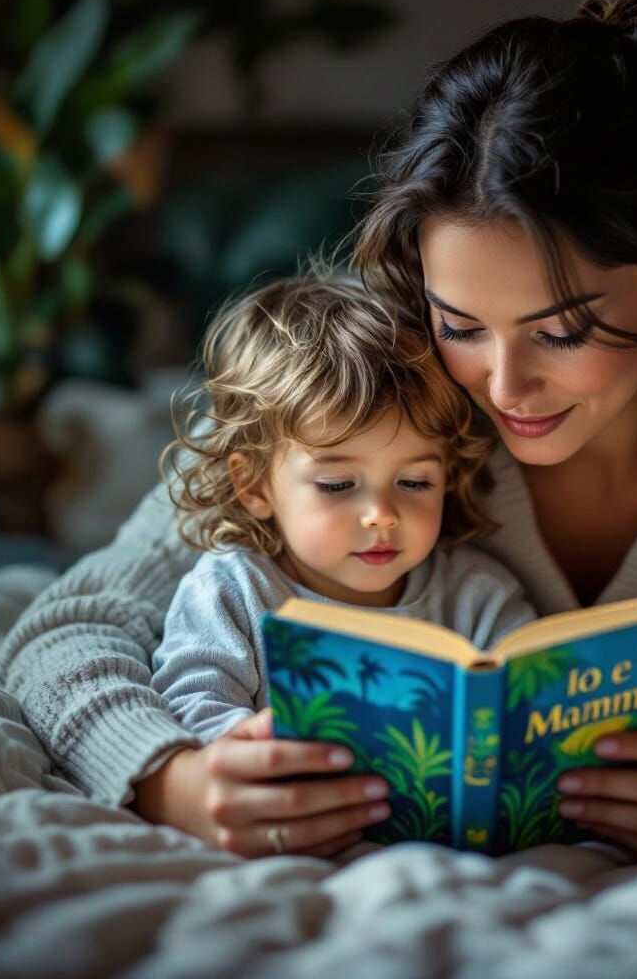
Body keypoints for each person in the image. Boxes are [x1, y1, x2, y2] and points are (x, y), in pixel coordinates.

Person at [0, 0, 637, 863]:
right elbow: (66, 626)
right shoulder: (361, 373)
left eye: (564, 329)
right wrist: (174, 779)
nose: (500, 384)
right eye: (461, 322)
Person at [150, 268, 534, 762]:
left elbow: (528, 710)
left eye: (415, 482)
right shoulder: (232, 593)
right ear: (253, 485)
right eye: (338, 486)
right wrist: (247, 748)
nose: (381, 515)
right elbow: (191, 706)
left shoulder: (477, 597)